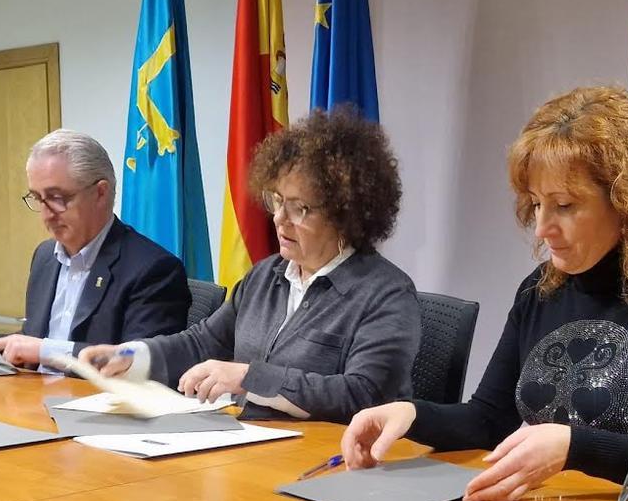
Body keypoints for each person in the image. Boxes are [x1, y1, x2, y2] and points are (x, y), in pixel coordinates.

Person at [342, 86, 628, 501]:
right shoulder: (541, 288)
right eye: (536, 203)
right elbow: (489, 419)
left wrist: (574, 448)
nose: (543, 227)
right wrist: (410, 413)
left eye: (564, 205)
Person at [80, 108, 420, 424]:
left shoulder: (385, 294)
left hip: (328, 462)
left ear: (347, 213)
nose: (279, 219)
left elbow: (363, 395)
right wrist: (133, 354)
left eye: (300, 208)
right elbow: (203, 342)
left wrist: (248, 377)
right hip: (251, 447)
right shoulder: (265, 275)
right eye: (276, 200)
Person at [0, 130, 191, 368]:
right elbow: (31, 338)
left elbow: (138, 363)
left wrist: (45, 351)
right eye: (37, 198)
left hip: (93, 402)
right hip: (33, 396)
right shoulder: (44, 257)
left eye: (57, 198)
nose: (46, 214)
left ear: (100, 193)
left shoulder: (153, 269)